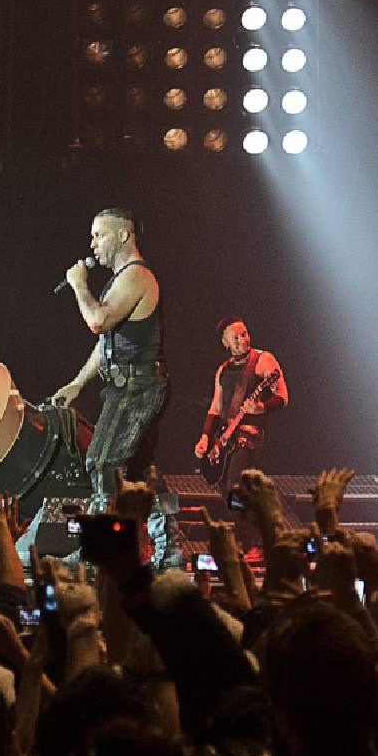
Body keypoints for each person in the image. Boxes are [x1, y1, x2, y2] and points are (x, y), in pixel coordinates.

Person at [28, 209, 177, 566]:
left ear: (124, 236)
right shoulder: (120, 281)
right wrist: (78, 382)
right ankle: (170, 551)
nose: (93, 245)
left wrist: (79, 285)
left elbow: (97, 321)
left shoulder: (137, 276)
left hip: (137, 386)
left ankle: (99, 550)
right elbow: (107, 343)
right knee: (143, 473)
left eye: (99, 235)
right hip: (128, 383)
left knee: (101, 461)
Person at [195, 319, 288, 499]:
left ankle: (247, 523)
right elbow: (216, 407)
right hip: (227, 437)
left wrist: (262, 407)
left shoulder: (263, 360)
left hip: (249, 435)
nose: (242, 340)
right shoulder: (222, 370)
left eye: (244, 334)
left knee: (235, 487)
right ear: (225, 343)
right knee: (223, 487)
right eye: (235, 338)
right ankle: (242, 524)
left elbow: (283, 396)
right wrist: (205, 437)